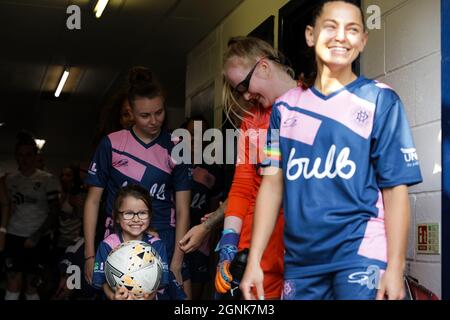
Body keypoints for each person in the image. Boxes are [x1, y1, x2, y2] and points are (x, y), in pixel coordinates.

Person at [240, 0, 423, 301]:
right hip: (301, 262)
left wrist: (395, 265)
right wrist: (255, 260)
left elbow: (395, 189)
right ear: (310, 36)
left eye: (352, 30)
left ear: (363, 40)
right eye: (331, 27)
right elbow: (272, 185)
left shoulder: (380, 100)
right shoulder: (285, 109)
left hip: (361, 252)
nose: (341, 36)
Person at [83, 67, 192, 298]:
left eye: (159, 112)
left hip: (165, 240)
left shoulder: (176, 145)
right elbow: (93, 202)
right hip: (119, 241)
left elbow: (183, 208)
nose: (154, 121)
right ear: (130, 112)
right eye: (144, 115)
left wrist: (176, 262)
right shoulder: (111, 144)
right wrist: (90, 255)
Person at [213, 36, 305, 299]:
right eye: (238, 89)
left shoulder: (314, 105)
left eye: (244, 84)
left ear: (263, 67)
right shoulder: (251, 121)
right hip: (260, 252)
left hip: (305, 247)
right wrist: (230, 241)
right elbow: (242, 187)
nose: (245, 95)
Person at [92, 184, 183, 300]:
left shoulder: (156, 245)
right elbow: (103, 281)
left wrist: (146, 298)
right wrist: (113, 296)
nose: (136, 219)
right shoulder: (107, 245)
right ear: (116, 217)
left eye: (142, 213)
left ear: (150, 216)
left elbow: (157, 283)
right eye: (129, 213)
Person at [3, 132, 60, 300]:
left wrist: (37, 235)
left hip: (38, 238)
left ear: (36, 156)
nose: (24, 159)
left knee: (31, 285)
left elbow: (54, 212)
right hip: (13, 237)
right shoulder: (9, 180)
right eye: (20, 155)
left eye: (28, 155)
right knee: (13, 283)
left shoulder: (47, 179)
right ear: (16, 157)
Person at [178, 116, 224, 299]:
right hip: (174, 235)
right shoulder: (174, 162)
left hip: (201, 240)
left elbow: (214, 208)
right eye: (191, 133)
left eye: (202, 134)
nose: (197, 138)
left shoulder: (214, 169)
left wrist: (210, 240)